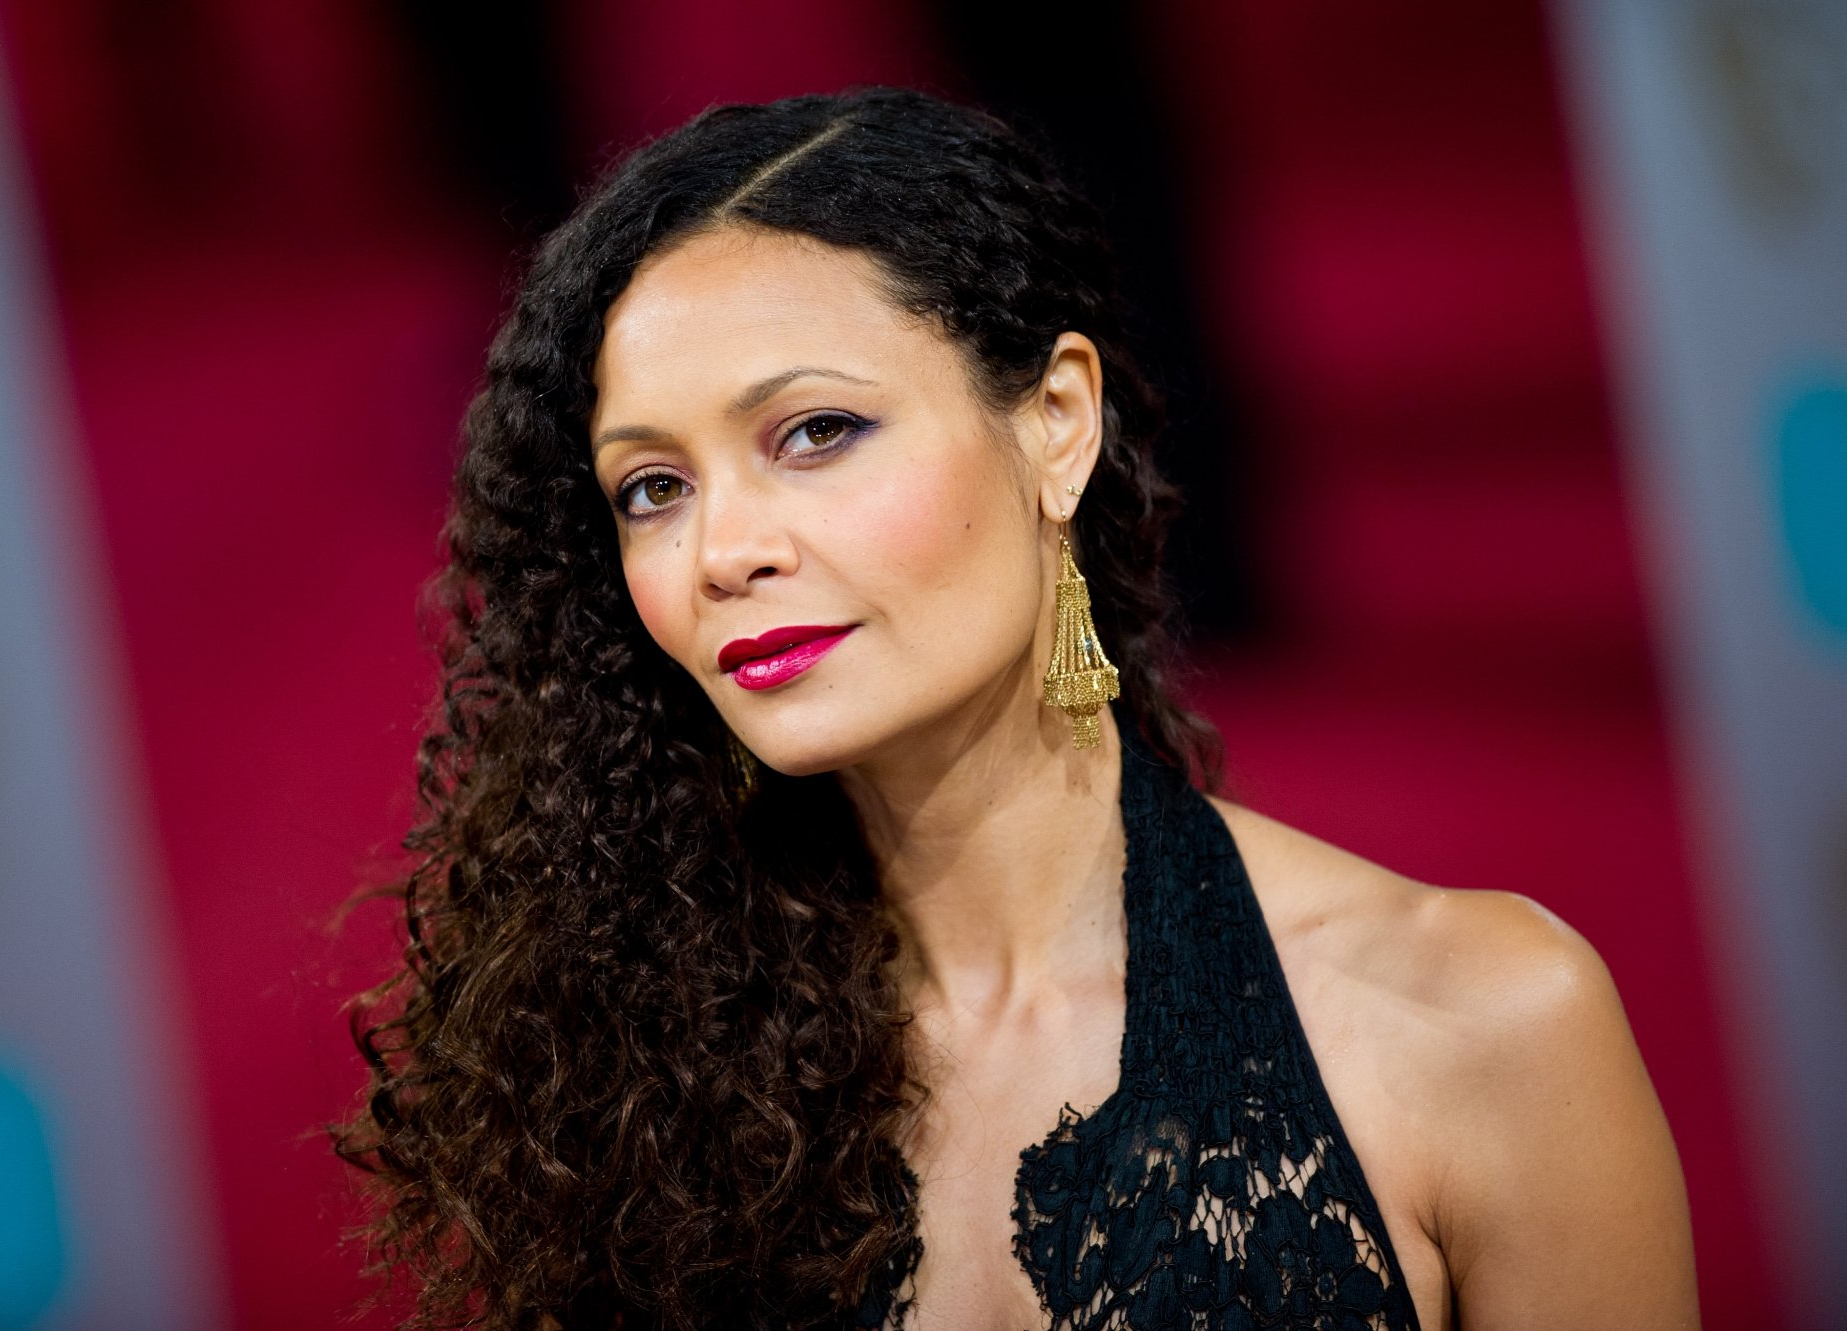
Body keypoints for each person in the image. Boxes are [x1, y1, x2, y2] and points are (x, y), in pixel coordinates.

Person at [337, 87, 1699, 1331]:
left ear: (1056, 421)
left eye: (815, 434)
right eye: (653, 487)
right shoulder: (637, 1085)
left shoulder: (1483, 1026)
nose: (721, 550)